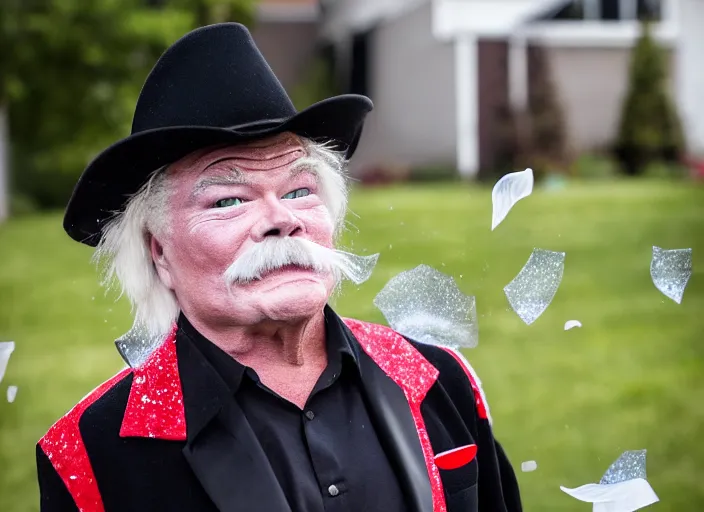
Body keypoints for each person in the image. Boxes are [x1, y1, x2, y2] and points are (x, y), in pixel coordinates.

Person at [36, 23, 522, 512]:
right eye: (228, 200)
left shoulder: (438, 379)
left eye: (298, 191)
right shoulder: (92, 454)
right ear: (158, 251)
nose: (281, 220)